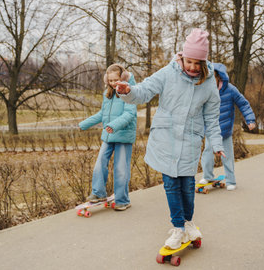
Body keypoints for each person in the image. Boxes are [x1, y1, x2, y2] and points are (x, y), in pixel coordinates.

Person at [116, 29, 225, 249]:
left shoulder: (208, 83)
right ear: (182, 57)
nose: (192, 67)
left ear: (204, 63)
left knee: (187, 185)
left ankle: (188, 223)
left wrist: (217, 143)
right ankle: (178, 228)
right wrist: (128, 91)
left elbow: (212, 117)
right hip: (166, 138)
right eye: (189, 61)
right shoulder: (168, 73)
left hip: (190, 141)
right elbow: (145, 90)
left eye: (197, 63)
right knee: (171, 185)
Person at [79, 64, 137, 211]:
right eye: (110, 80)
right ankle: (98, 193)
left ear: (123, 78)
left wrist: (114, 125)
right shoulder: (108, 93)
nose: (113, 83)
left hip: (123, 135)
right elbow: (102, 114)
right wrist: (84, 124)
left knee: (120, 168)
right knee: (100, 163)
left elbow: (129, 114)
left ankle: (122, 200)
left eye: (115, 80)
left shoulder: (130, 92)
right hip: (108, 134)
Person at [199, 63, 256, 190]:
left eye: (212, 78)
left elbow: (243, 104)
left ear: (219, 77)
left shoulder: (230, 90)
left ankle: (231, 181)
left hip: (225, 131)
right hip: (210, 131)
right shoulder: (204, 91)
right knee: (207, 155)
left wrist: (250, 119)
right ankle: (207, 176)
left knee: (228, 157)